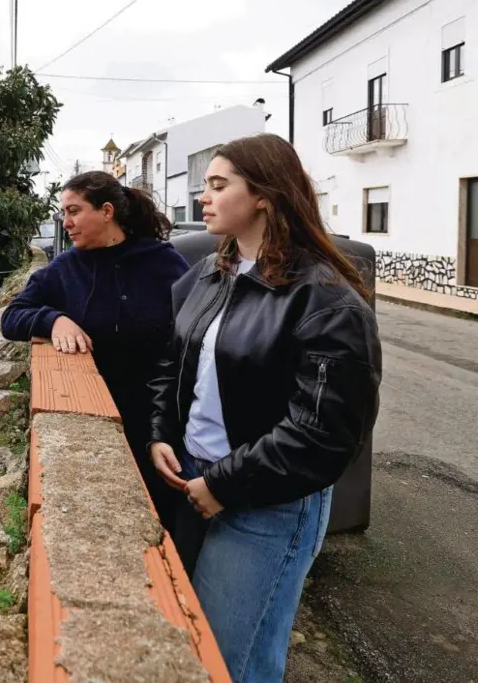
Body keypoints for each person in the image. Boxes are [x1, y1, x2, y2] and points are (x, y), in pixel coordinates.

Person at [147, 134, 381, 682]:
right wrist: (163, 431)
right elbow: (172, 360)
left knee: (234, 662)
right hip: (197, 481)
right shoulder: (212, 272)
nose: (202, 198)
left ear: (264, 196)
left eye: (218, 185)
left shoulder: (325, 299)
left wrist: (224, 484)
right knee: (195, 641)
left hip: (268, 504)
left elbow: (324, 434)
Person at [1, 171, 190, 531]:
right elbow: (11, 318)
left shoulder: (163, 262)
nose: (66, 223)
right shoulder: (65, 268)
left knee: (166, 520)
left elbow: (191, 333)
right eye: (63, 214)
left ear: (106, 211)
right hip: (98, 413)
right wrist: (53, 320)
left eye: (74, 211)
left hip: (163, 416)